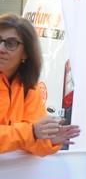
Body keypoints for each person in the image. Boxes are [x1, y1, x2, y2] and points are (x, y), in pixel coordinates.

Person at [0, 13, 79, 155]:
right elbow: (29, 134)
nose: (1, 48)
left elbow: (31, 142)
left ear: (25, 54)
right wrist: (31, 132)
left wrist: (50, 140)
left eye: (10, 43)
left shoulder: (29, 88)